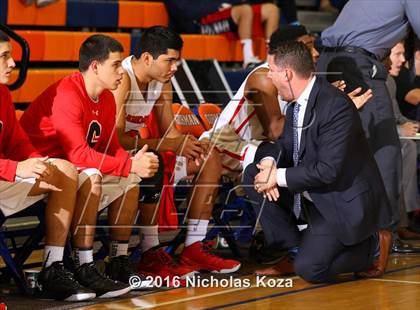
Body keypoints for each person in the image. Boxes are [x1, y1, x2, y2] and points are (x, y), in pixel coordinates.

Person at [20, 34, 160, 297]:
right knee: (96, 174)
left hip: (72, 169)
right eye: (116, 65)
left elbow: (109, 146)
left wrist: (133, 162)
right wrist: (129, 165)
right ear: (95, 66)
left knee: (130, 180)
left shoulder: (105, 98)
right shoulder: (67, 93)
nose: (122, 71)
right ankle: (77, 266)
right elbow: (79, 154)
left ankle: (117, 260)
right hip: (38, 169)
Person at [242, 40, 392, 281]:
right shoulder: (296, 104)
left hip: (338, 202)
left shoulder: (335, 106)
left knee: (310, 270)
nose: (268, 77)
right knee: (253, 174)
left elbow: (327, 171)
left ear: (288, 73)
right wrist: (270, 163)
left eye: (272, 70)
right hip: (313, 196)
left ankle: (373, 245)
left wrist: (277, 176)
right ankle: (293, 249)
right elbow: (283, 146)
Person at [112, 26, 241, 279]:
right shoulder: (123, 78)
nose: (175, 67)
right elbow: (113, 139)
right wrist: (170, 145)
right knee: (155, 161)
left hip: (140, 152)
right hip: (113, 155)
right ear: (147, 58)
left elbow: (169, 133)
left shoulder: (161, 83)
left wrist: (187, 144)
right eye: (169, 60)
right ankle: (149, 250)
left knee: (208, 156)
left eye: (177, 61)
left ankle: (194, 245)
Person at [317, 0, 420, 253]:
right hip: (357, 66)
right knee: (385, 152)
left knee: (339, 151)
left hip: (328, 63)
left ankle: (335, 233)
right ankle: (383, 235)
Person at [0, 31, 95, 301]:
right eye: (5, 57)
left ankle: (52, 267)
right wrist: (16, 169)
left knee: (63, 171)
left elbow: (17, 142)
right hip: (5, 173)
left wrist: (37, 161)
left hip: (3, 176)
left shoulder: (3, 94)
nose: (12, 64)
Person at [164, 0, 279, 68]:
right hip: (198, 22)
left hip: (224, 12)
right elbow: (185, 11)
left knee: (271, 9)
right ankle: (248, 58)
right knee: (244, 10)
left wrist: (231, 4)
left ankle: (271, 57)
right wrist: (218, 7)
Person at [386, 42, 420, 244]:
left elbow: (397, 116)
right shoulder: (377, 82)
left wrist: (413, 125)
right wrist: (400, 129)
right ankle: (404, 219)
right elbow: (369, 124)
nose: (402, 60)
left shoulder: (389, 80)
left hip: (397, 136)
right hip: (378, 142)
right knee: (407, 147)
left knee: (408, 146)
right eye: (397, 54)